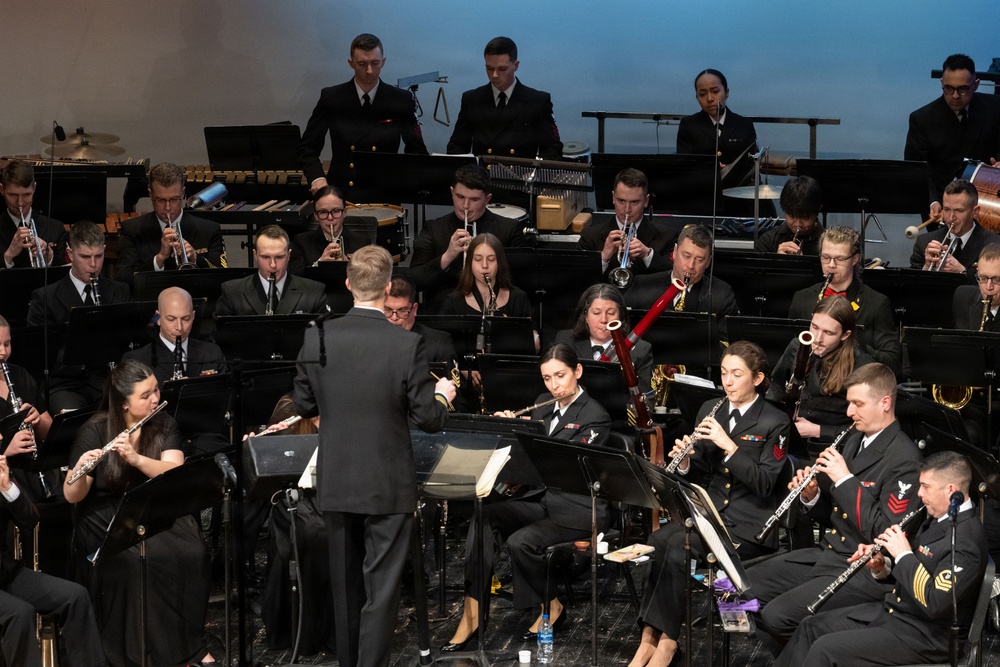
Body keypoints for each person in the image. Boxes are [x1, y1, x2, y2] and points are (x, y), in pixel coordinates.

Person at [292, 245, 455, 667]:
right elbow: (428, 418)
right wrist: (443, 396)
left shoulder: (317, 336)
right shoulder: (406, 344)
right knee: (380, 591)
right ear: (387, 288)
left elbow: (304, 403)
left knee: (345, 590)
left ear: (348, 284)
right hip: (387, 482)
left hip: (337, 480)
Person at [629, 341, 790, 667]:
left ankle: (668, 645)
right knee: (659, 539)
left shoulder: (775, 421)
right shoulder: (710, 409)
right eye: (724, 374)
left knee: (678, 546)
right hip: (711, 514)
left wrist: (729, 445)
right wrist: (686, 461)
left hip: (748, 525)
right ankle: (648, 638)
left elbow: (764, 484)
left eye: (737, 374)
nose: (728, 382)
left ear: (757, 379)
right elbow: (699, 472)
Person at [442, 343, 611, 653]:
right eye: (547, 378)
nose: (554, 385)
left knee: (521, 542)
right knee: (485, 515)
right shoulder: (543, 403)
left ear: (578, 371)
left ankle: (551, 606)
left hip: (578, 509)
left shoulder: (595, 416)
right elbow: (526, 460)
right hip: (543, 500)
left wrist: (525, 437)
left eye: (560, 376)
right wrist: (509, 429)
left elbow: (560, 464)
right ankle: (473, 608)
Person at [748, 362, 923, 651]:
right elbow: (834, 515)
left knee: (777, 616)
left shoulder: (905, 459)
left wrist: (844, 479)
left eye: (857, 404)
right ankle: (799, 654)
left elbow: (887, 535)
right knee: (742, 589)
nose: (849, 412)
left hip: (863, 569)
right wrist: (812, 496)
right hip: (829, 554)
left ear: (885, 403)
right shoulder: (855, 439)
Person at [775, 451, 986, 667]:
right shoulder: (939, 517)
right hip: (897, 614)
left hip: (926, 636)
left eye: (926, 487)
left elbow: (936, 603)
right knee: (811, 626)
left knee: (825, 649)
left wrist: (902, 553)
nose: (919, 493)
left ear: (951, 490)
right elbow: (916, 569)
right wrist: (881, 566)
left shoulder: (966, 540)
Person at [63, 359, 213, 665]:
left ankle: (186, 645)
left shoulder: (164, 422)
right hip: (106, 511)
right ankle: (137, 651)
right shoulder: (94, 430)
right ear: (123, 404)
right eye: (145, 395)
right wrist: (78, 470)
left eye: (156, 390)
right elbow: (72, 495)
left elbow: (174, 471)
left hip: (155, 501)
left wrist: (137, 459)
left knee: (192, 552)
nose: (155, 398)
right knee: (136, 562)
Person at [0, 452, 106, 667]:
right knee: (19, 614)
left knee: (75, 596)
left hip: (4, 571)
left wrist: (6, 488)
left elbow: (30, 521)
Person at [297, 33, 427, 198]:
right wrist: (317, 178)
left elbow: (417, 151)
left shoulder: (400, 99)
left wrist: (401, 179)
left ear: (384, 62)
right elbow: (307, 148)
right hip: (341, 194)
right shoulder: (332, 97)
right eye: (362, 64)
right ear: (351, 63)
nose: (369, 71)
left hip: (384, 193)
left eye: (375, 63)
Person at [26, 221, 130, 413]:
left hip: (108, 379)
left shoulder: (119, 291)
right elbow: (40, 354)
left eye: (98, 256)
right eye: (85, 257)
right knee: (72, 421)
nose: (93, 265)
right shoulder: (45, 297)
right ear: (70, 254)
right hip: (66, 384)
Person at [409, 164, 528, 312]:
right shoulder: (434, 228)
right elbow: (414, 281)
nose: (465, 205)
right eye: (460, 197)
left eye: (474, 200)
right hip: (445, 312)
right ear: (452, 193)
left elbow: (521, 280)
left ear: (487, 199)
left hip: (494, 308)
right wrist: (448, 255)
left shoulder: (508, 228)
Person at [788, 226, 901, 377]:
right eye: (826, 257)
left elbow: (893, 363)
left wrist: (853, 343)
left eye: (840, 259)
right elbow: (789, 353)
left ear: (855, 259)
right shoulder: (802, 298)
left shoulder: (876, 303)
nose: (831, 265)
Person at [768, 296, 874, 447]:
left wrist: (818, 430)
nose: (817, 339)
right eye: (814, 327)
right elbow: (776, 385)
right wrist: (775, 418)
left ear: (845, 335)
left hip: (834, 447)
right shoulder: (797, 347)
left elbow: (869, 427)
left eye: (828, 333)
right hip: (788, 436)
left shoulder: (862, 366)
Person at [904, 53, 1000, 218]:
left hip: (988, 207)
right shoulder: (922, 119)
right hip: (944, 209)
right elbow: (917, 170)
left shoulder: (995, 108)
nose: (955, 96)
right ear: (942, 82)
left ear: (975, 85)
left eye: (962, 89)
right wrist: (932, 202)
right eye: (948, 88)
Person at [446, 36, 562, 160]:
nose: (494, 75)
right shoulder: (472, 99)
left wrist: (535, 175)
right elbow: (457, 147)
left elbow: (552, 149)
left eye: (502, 69)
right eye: (489, 69)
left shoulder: (537, 101)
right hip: (483, 176)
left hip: (521, 176)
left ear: (516, 65)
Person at [114, 162, 227, 285]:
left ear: (183, 193)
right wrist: (159, 259)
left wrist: (196, 259)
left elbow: (222, 279)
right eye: (161, 200)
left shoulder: (209, 229)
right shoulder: (132, 230)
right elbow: (123, 280)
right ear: (150, 194)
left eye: (174, 199)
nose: (168, 207)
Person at [624, 224, 739, 342]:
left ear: (708, 262)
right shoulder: (643, 284)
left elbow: (728, 344)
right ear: (674, 252)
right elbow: (624, 330)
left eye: (699, 260)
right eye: (686, 256)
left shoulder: (722, 294)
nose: (690, 266)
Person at [554, 283, 654, 394]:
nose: (604, 319)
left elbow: (646, 398)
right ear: (585, 316)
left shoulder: (641, 349)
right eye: (596, 313)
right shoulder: (565, 340)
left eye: (611, 313)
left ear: (620, 317)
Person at [577, 168, 677, 276]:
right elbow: (579, 280)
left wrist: (647, 254)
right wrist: (603, 258)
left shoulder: (668, 237)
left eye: (634, 202)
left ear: (646, 201)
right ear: (613, 198)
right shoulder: (590, 237)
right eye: (621, 201)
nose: (627, 209)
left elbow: (673, 276)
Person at [216, 225, 329, 317]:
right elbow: (220, 340)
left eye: (279, 257)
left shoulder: (314, 292)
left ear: (289, 255)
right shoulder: (232, 292)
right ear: (255, 255)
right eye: (265, 257)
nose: (273, 265)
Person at [122, 286, 225, 386]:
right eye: (171, 319)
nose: (179, 327)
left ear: (193, 316)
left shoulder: (213, 353)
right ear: (158, 318)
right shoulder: (136, 361)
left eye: (186, 319)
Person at [438, 233, 535, 336]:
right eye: (478, 259)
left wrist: (512, 332)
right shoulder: (454, 302)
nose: (484, 265)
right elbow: (439, 342)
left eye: (491, 259)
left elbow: (536, 344)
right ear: (470, 263)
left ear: (499, 263)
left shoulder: (518, 298)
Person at [909, 179, 1000, 273]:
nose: (951, 217)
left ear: (975, 211)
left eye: (959, 211)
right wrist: (927, 268)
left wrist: (962, 272)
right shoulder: (924, 242)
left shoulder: (995, 244)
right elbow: (910, 284)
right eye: (947, 209)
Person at [0, 315, 53, 461]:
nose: (3, 352)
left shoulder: (20, 375)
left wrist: (38, 422)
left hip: (31, 466)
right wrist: (5, 450)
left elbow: (49, 431)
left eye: (7, 344)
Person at [289, 185, 370, 275]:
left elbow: (370, 280)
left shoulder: (362, 243)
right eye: (323, 212)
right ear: (316, 215)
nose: (330, 218)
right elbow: (296, 280)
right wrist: (319, 264)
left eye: (336, 211)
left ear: (345, 212)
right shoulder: (301, 242)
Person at [0, 159, 64, 269]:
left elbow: (66, 276)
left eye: (26, 195)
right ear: (2, 190)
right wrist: (8, 255)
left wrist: (49, 256)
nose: (20, 203)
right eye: (13, 195)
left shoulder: (55, 228)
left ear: (34, 188)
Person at [754, 176, 824, 255]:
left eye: (805, 217)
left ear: (817, 211)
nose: (798, 224)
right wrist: (778, 261)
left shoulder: (832, 244)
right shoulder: (767, 241)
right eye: (792, 216)